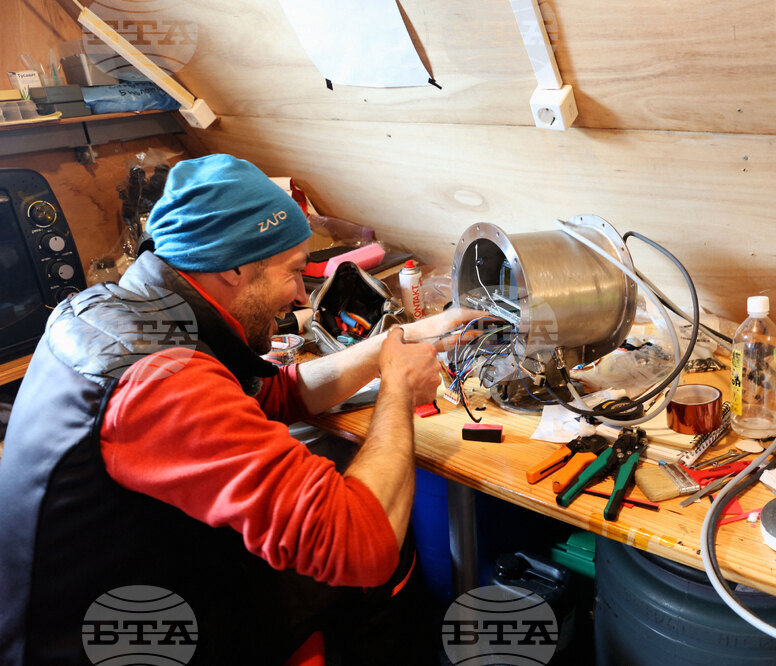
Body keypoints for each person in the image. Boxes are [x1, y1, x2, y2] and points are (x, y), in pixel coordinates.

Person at [0, 154, 478, 665]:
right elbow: (360, 546)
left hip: (120, 585)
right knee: (383, 563)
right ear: (234, 267)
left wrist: (394, 343)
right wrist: (398, 392)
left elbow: (271, 394)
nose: (300, 294)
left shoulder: (110, 311)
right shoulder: (161, 384)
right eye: (295, 271)